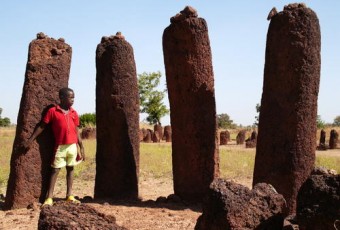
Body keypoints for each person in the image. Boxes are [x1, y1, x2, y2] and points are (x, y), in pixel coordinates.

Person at [23, 87, 85, 207]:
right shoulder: (53, 111)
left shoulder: (74, 113)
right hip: (60, 146)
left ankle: (69, 195)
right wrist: (30, 140)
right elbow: (42, 126)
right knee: (55, 170)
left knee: (71, 169)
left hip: (72, 145)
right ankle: (49, 197)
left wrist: (81, 146)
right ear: (61, 98)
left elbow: (77, 130)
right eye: (70, 97)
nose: (73, 100)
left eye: (74, 97)